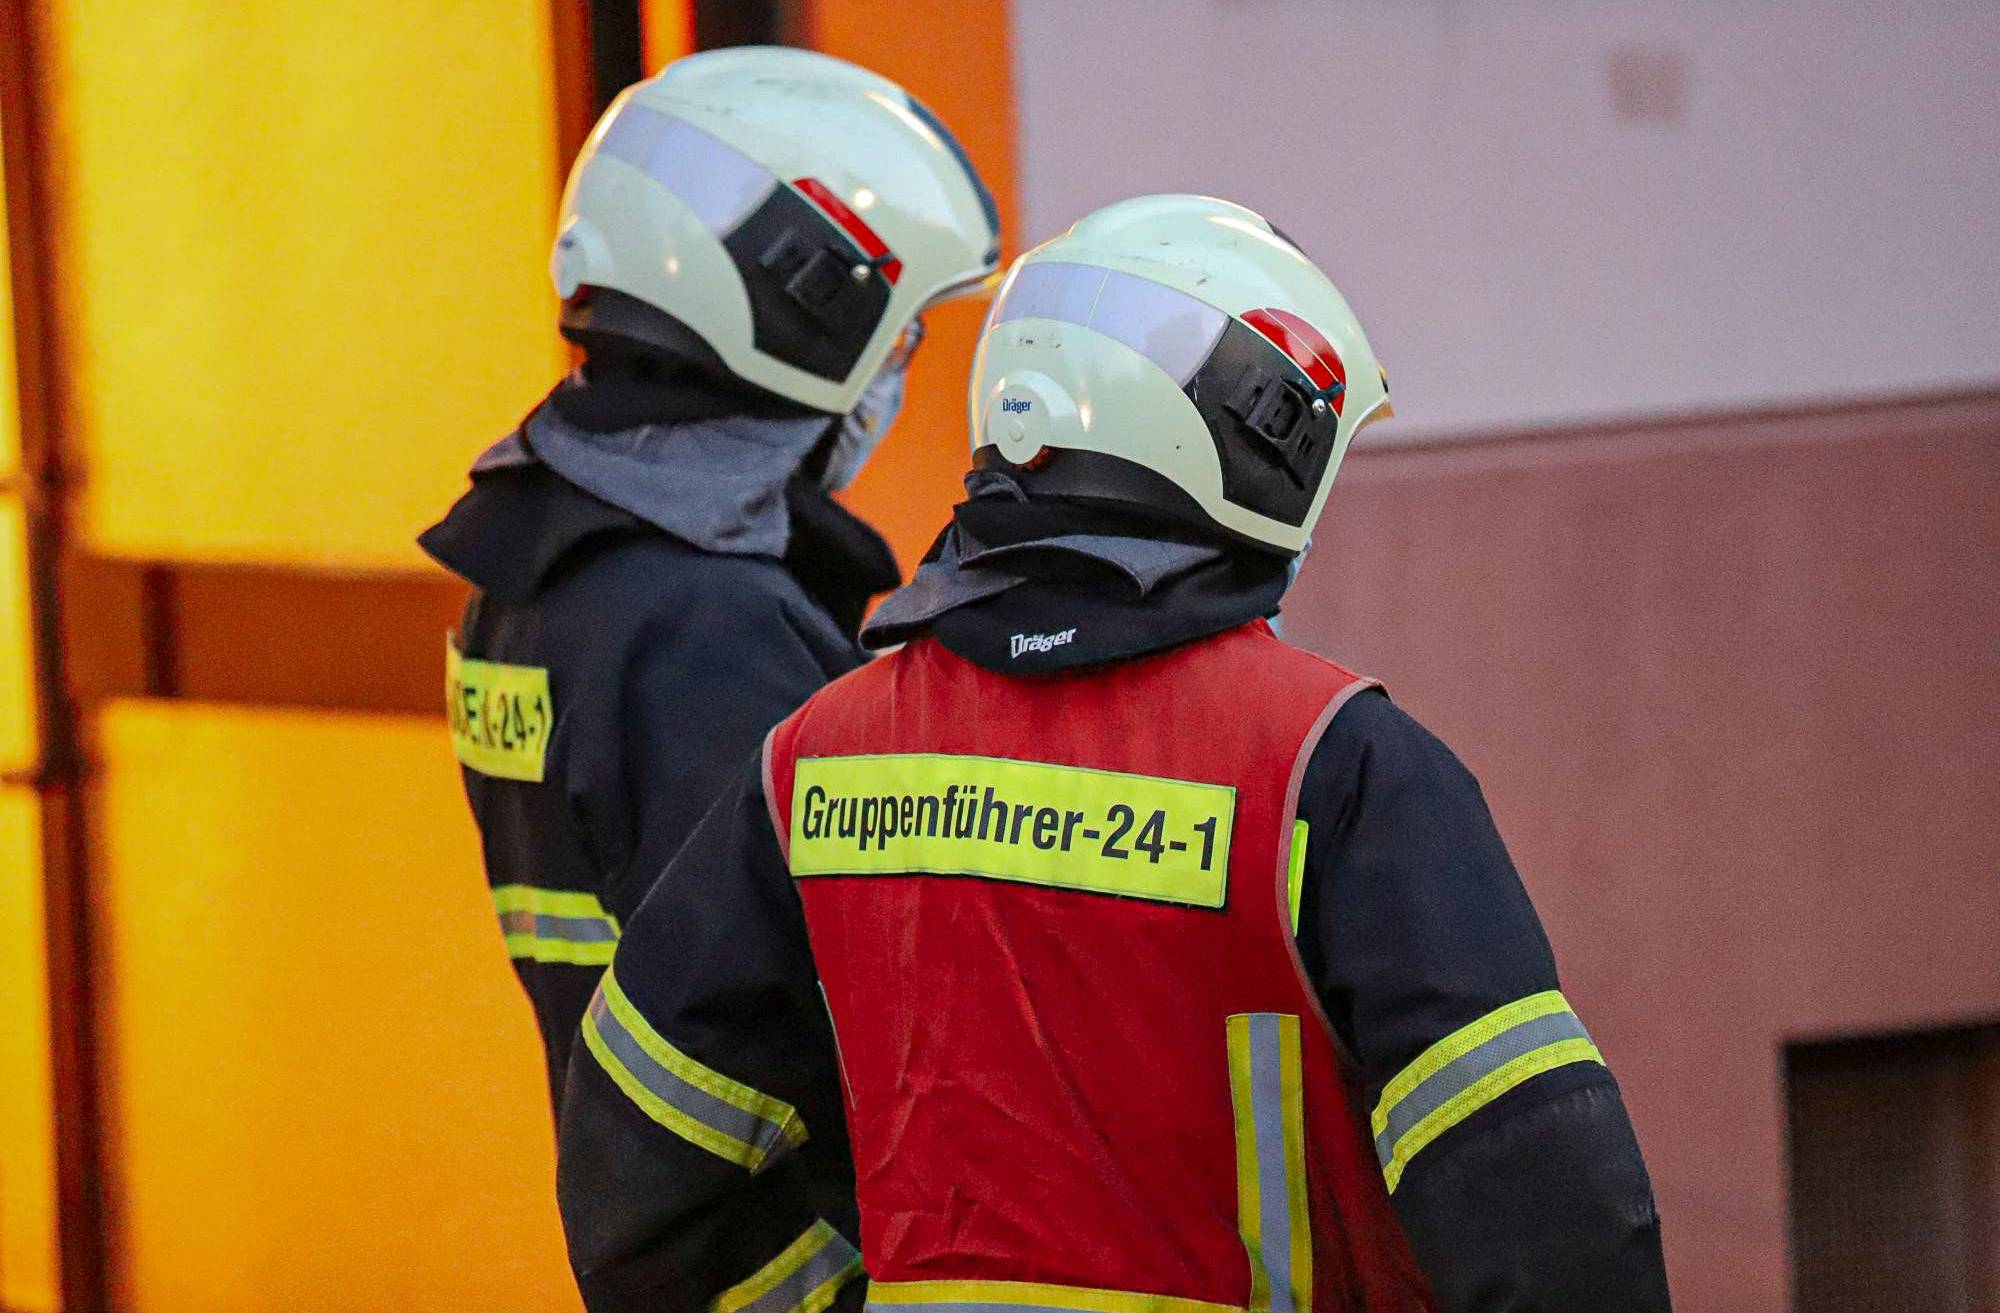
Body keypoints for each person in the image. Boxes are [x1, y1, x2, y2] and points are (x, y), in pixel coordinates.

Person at [555, 195, 1671, 1312]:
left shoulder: (814, 761)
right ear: (1262, 446)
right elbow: (1552, 1220)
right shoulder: (1332, 766)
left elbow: (636, 1174)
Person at [418, 45, 1003, 1116]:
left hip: (647, 1186)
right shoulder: (706, 625)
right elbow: (829, 1007)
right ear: (807, 305)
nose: (899, 370)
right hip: (780, 1217)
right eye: (897, 335)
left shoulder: (533, 569)